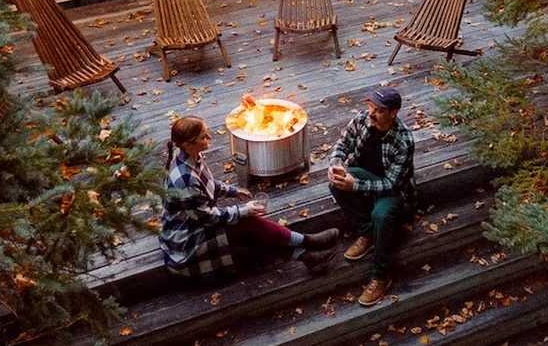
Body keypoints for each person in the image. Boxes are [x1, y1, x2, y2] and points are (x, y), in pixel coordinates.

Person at [159, 115, 337, 282]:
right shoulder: (185, 179)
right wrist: (243, 210)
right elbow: (206, 217)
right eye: (203, 136)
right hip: (187, 241)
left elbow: (209, 184)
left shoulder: (190, 157)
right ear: (188, 144)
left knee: (250, 226)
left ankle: (308, 255)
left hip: (199, 224)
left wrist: (234, 191)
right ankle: (307, 244)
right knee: (247, 223)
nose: (209, 137)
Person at [327, 85, 416, 306]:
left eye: (379, 110)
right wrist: (336, 163)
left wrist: (355, 186)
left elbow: (391, 183)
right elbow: (342, 144)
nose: (372, 114)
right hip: (366, 179)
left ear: (393, 113)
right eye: (371, 107)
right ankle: (367, 233)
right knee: (336, 183)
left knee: (381, 215)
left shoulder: (404, 140)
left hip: (393, 190)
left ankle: (380, 275)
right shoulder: (362, 119)